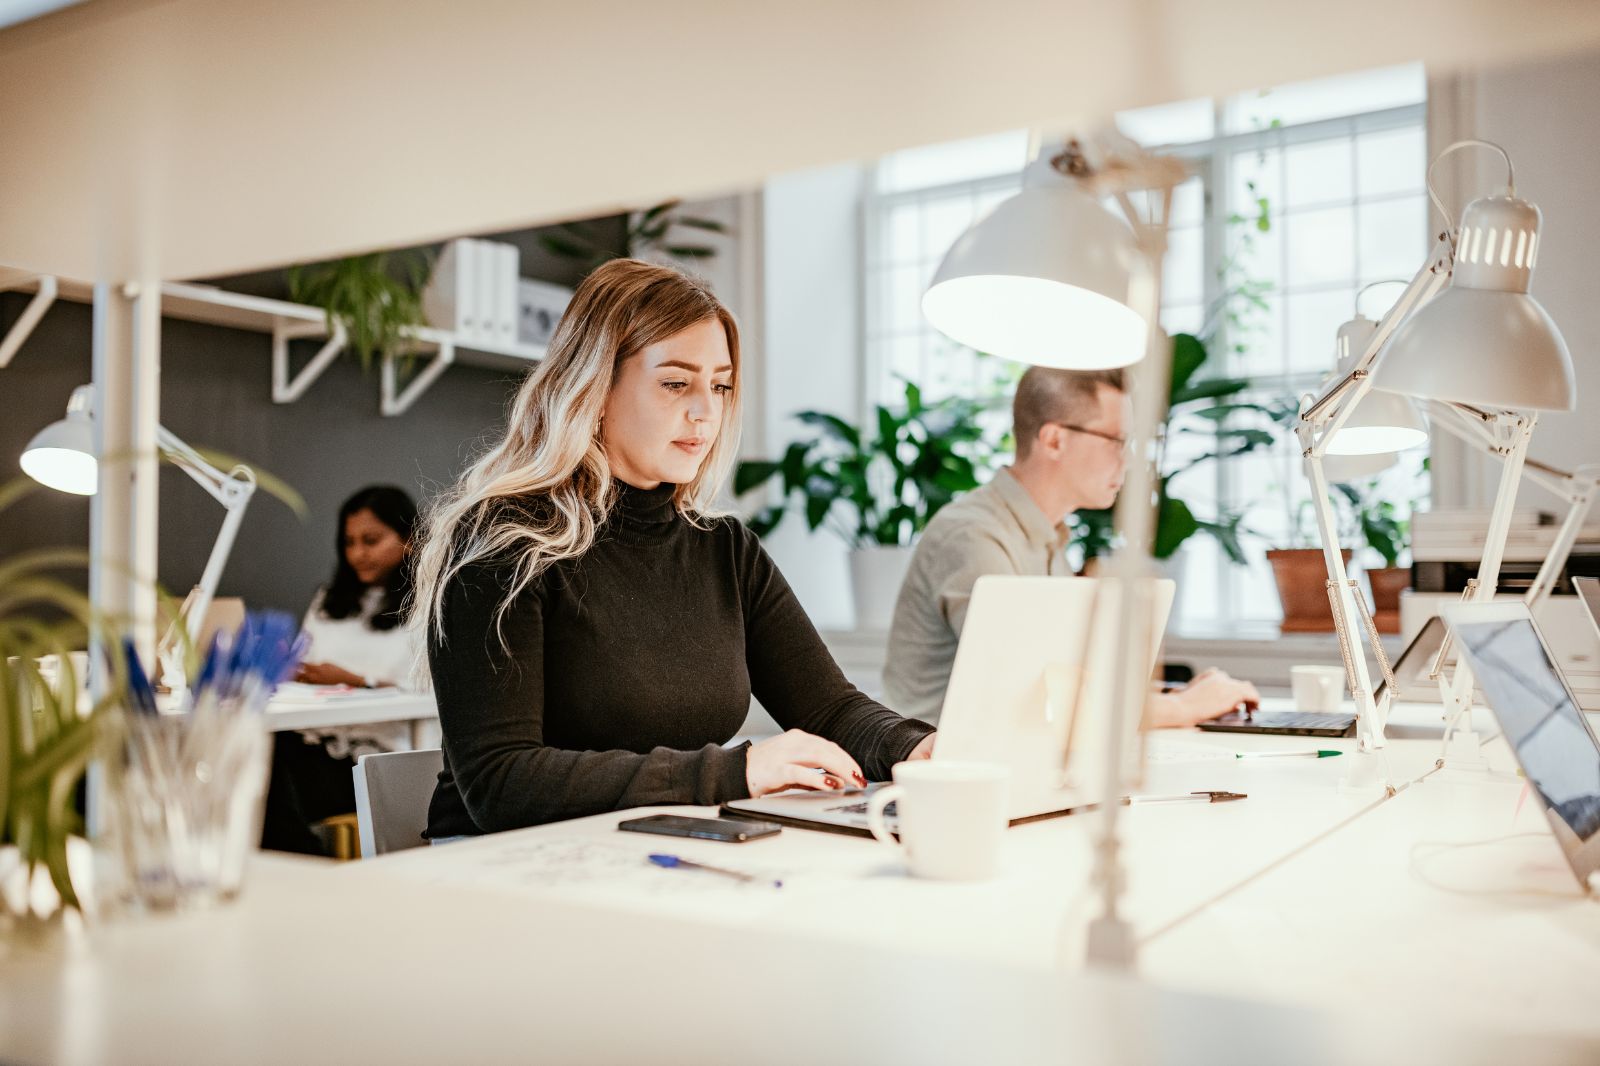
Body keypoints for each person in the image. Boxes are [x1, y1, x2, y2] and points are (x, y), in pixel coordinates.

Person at [412, 258, 935, 841]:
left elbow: (831, 710)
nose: (706, 411)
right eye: (675, 383)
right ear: (595, 387)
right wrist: (737, 771)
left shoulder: (725, 550)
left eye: (720, 385)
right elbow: (499, 784)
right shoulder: (506, 541)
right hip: (500, 872)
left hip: (650, 851)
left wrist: (922, 749)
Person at [883, 366, 1259, 728]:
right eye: (1117, 441)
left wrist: (1173, 694)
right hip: (935, 774)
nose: (1128, 460)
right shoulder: (973, 536)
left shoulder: (1046, 536)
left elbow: (1067, 682)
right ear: (1054, 440)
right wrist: (1185, 706)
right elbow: (1038, 697)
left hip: (1010, 762)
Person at [261, 484, 421, 854]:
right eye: (349, 542)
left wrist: (353, 680)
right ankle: (297, 860)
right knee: (254, 750)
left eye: (371, 540)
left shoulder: (426, 604)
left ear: (408, 539)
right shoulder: (328, 602)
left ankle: (303, 861)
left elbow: (428, 687)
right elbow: (306, 659)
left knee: (268, 772)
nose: (358, 554)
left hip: (374, 753)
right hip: (313, 737)